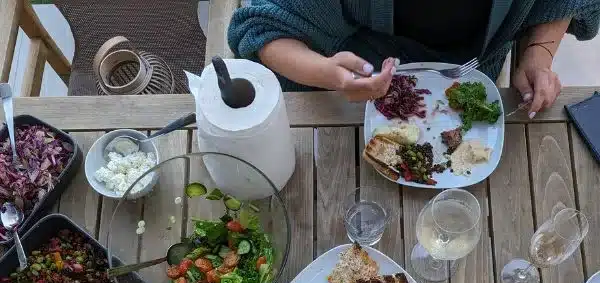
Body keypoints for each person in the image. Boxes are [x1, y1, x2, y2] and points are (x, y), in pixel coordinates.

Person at [228, 0, 600, 117]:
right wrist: (329, 74)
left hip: (473, 84)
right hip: (355, 97)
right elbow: (262, 29)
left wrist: (538, 55)